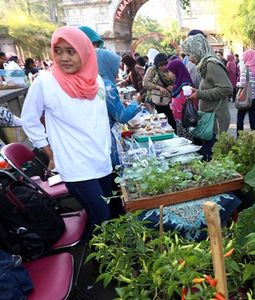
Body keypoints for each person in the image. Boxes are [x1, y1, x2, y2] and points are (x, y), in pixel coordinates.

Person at [21, 26, 113, 228]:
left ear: (85, 52)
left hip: (101, 161)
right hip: (75, 166)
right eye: (58, 51)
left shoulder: (95, 80)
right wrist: (50, 152)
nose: (63, 57)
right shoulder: (46, 81)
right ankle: (101, 259)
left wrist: (108, 150)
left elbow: (99, 121)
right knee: (103, 220)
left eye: (71, 51)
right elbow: (29, 119)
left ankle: (104, 258)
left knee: (110, 216)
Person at [96, 48, 141, 217]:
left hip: (102, 137)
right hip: (107, 140)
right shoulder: (106, 85)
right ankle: (119, 215)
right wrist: (136, 103)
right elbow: (122, 116)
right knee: (114, 180)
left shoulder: (98, 81)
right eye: (116, 65)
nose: (118, 68)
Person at [181, 33, 232, 160]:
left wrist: (200, 94)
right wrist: (197, 91)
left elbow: (226, 88)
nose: (189, 59)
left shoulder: (211, 65)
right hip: (209, 118)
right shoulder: (204, 65)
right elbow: (211, 87)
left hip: (216, 120)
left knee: (213, 157)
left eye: (189, 54)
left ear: (197, 50)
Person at [142, 53, 176, 131]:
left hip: (167, 100)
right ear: (157, 64)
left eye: (165, 64)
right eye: (161, 65)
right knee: (157, 123)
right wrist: (159, 87)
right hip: (155, 101)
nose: (163, 67)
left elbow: (174, 81)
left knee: (171, 122)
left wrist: (170, 86)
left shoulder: (169, 70)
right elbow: (145, 83)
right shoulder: (152, 69)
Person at [166, 59, 197, 138]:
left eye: (170, 71)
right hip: (178, 117)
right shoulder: (178, 82)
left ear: (176, 70)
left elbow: (191, 101)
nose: (169, 74)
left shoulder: (186, 84)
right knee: (181, 137)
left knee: (187, 139)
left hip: (185, 118)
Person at [236, 49, 255, 132]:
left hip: (245, 97)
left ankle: (240, 137)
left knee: (240, 117)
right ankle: (253, 136)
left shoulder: (246, 69)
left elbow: (243, 84)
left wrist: (237, 84)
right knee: (252, 118)